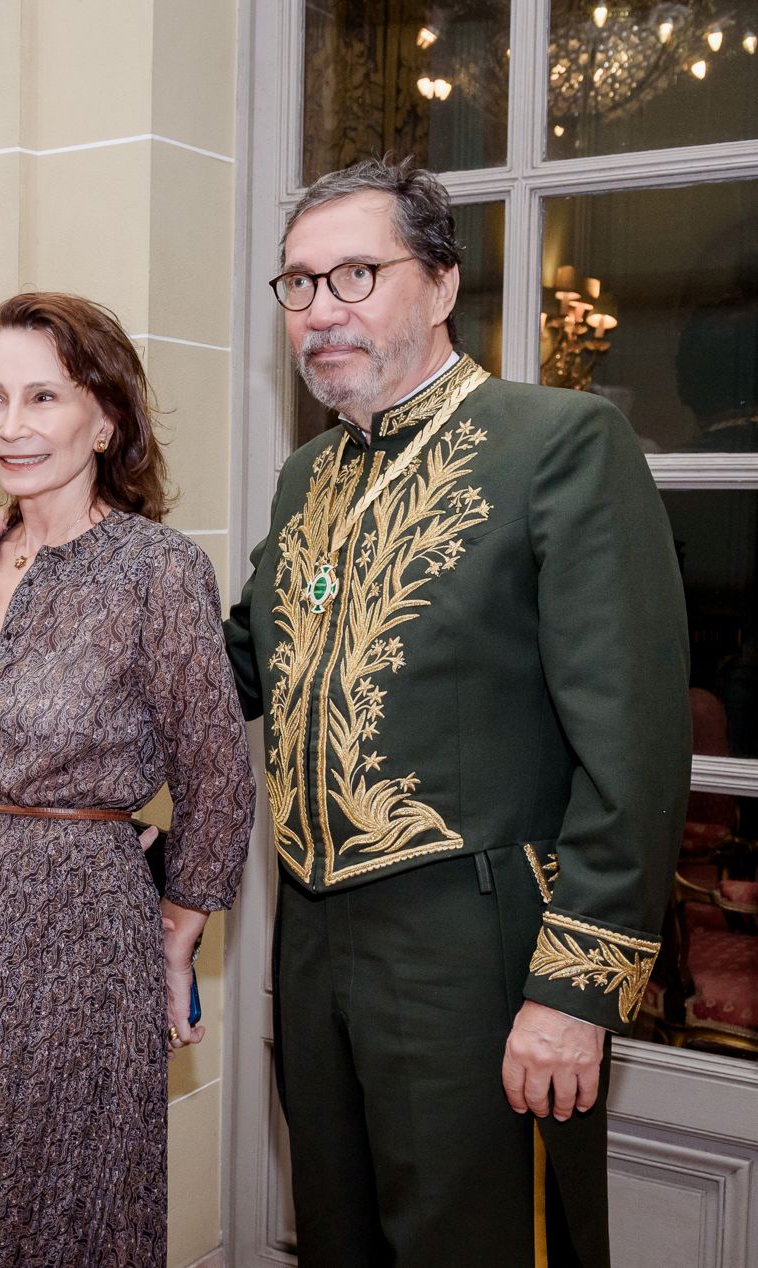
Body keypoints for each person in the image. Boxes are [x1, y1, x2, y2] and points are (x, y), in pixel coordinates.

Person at [225, 157, 690, 1266]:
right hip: (315, 940)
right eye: (297, 285)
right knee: (339, 1236)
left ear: (438, 283)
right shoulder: (306, 478)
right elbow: (237, 666)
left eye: (354, 274)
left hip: (478, 947)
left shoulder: (558, 445)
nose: (320, 310)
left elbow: (632, 745)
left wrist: (573, 990)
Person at [0, 293, 254, 1268]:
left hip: (78, 940)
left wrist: (177, 925)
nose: (11, 424)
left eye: (42, 396)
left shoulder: (156, 569)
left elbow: (217, 775)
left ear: (104, 418)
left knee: (51, 1212)